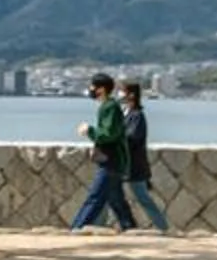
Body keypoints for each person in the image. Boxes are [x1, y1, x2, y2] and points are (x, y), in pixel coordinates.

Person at [68, 72, 134, 232]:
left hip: (111, 160)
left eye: (92, 86)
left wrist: (88, 131)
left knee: (95, 196)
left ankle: (77, 227)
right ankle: (129, 228)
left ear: (101, 89)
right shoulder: (108, 106)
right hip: (113, 159)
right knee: (115, 199)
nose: (90, 89)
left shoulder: (110, 107)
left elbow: (108, 134)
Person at [119, 81, 170, 232]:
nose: (120, 95)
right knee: (110, 195)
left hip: (134, 166)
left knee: (143, 198)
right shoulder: (125, 113)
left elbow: (133, 138)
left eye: (122, 91)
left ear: (132, 95)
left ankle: (163, 227)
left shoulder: (137, 116)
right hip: (122, 164)